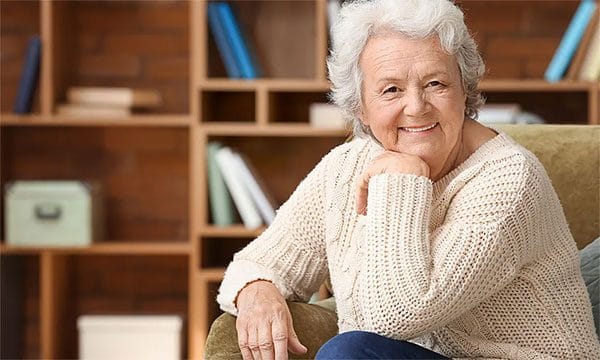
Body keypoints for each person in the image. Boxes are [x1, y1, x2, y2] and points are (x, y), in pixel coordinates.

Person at [216, 0, 600, 359]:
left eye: (436, 83)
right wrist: (259, 292)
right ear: (359, 107)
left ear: (464, 90)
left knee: (348, 354)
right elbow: (256, 261)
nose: (416, 107)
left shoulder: (510, 180)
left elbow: (394, 317)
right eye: (391, 90)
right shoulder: (345, 166)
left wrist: (401, 179)